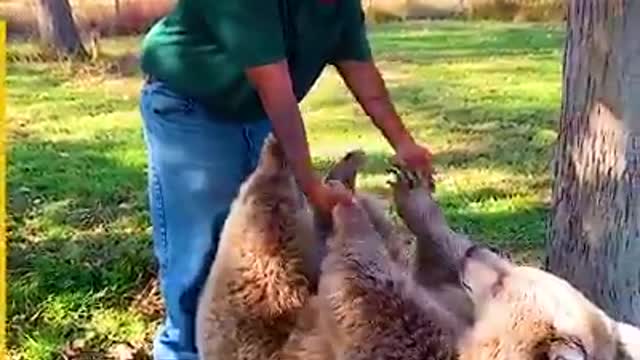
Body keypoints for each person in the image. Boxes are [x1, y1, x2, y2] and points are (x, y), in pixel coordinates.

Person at [137, 0, 433, 358]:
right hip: (191, 103)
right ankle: (181, 350)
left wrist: (404, 143)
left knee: (272, 244)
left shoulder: (339, 7)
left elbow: (363, 75)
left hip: (256, 109)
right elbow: (276, 90)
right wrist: (310, 186)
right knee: (200, 252)